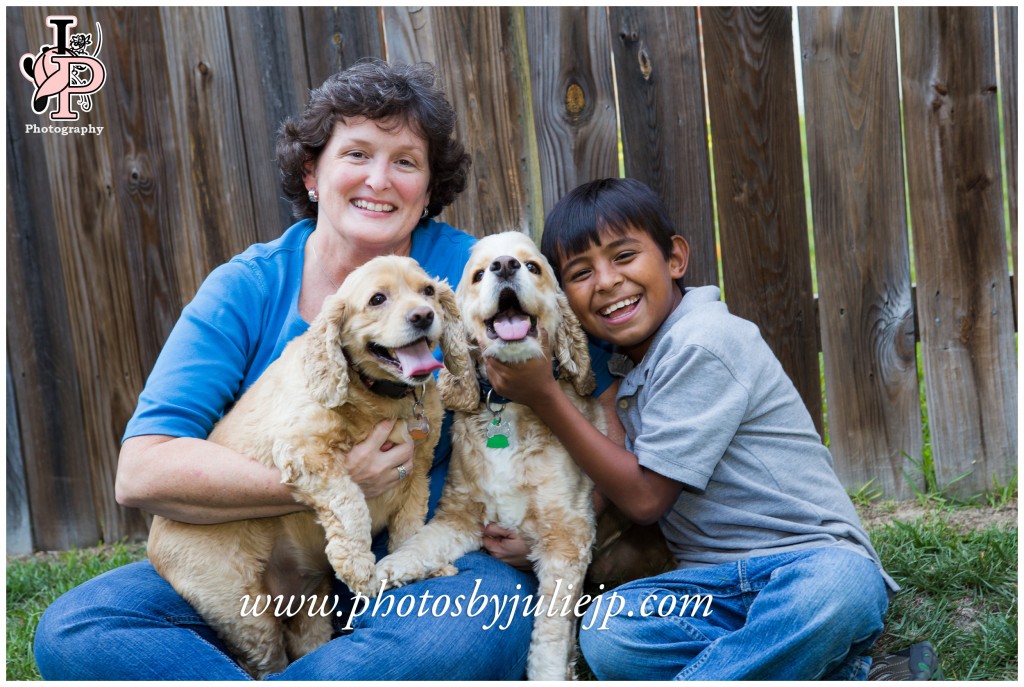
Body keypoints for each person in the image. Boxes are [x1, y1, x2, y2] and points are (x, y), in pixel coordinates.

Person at [33, 59, 557, 681]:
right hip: (266, 555)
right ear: (312, 173)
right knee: (79, 626)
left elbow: (580, 379)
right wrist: (330, 481)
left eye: (406, 162)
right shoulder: (247, 288)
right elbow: (143, 470)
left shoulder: (472, 270)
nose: (380, 180)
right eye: (357, 154)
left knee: (461, 629)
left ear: (428, 187)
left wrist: (552, 524)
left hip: (429, 557)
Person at [482, 177, 930, 680]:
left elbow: (646, 498)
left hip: (805, 567)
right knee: (610, 630)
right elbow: (608, 472)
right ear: (565, 301)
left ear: (675, 258)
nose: (606, 282)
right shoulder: (627, 371)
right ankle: (836, 672)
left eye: (624, 256)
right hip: (707, 589)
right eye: (581, 273)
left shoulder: (705, 341)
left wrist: (543, 395)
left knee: (835, 591)